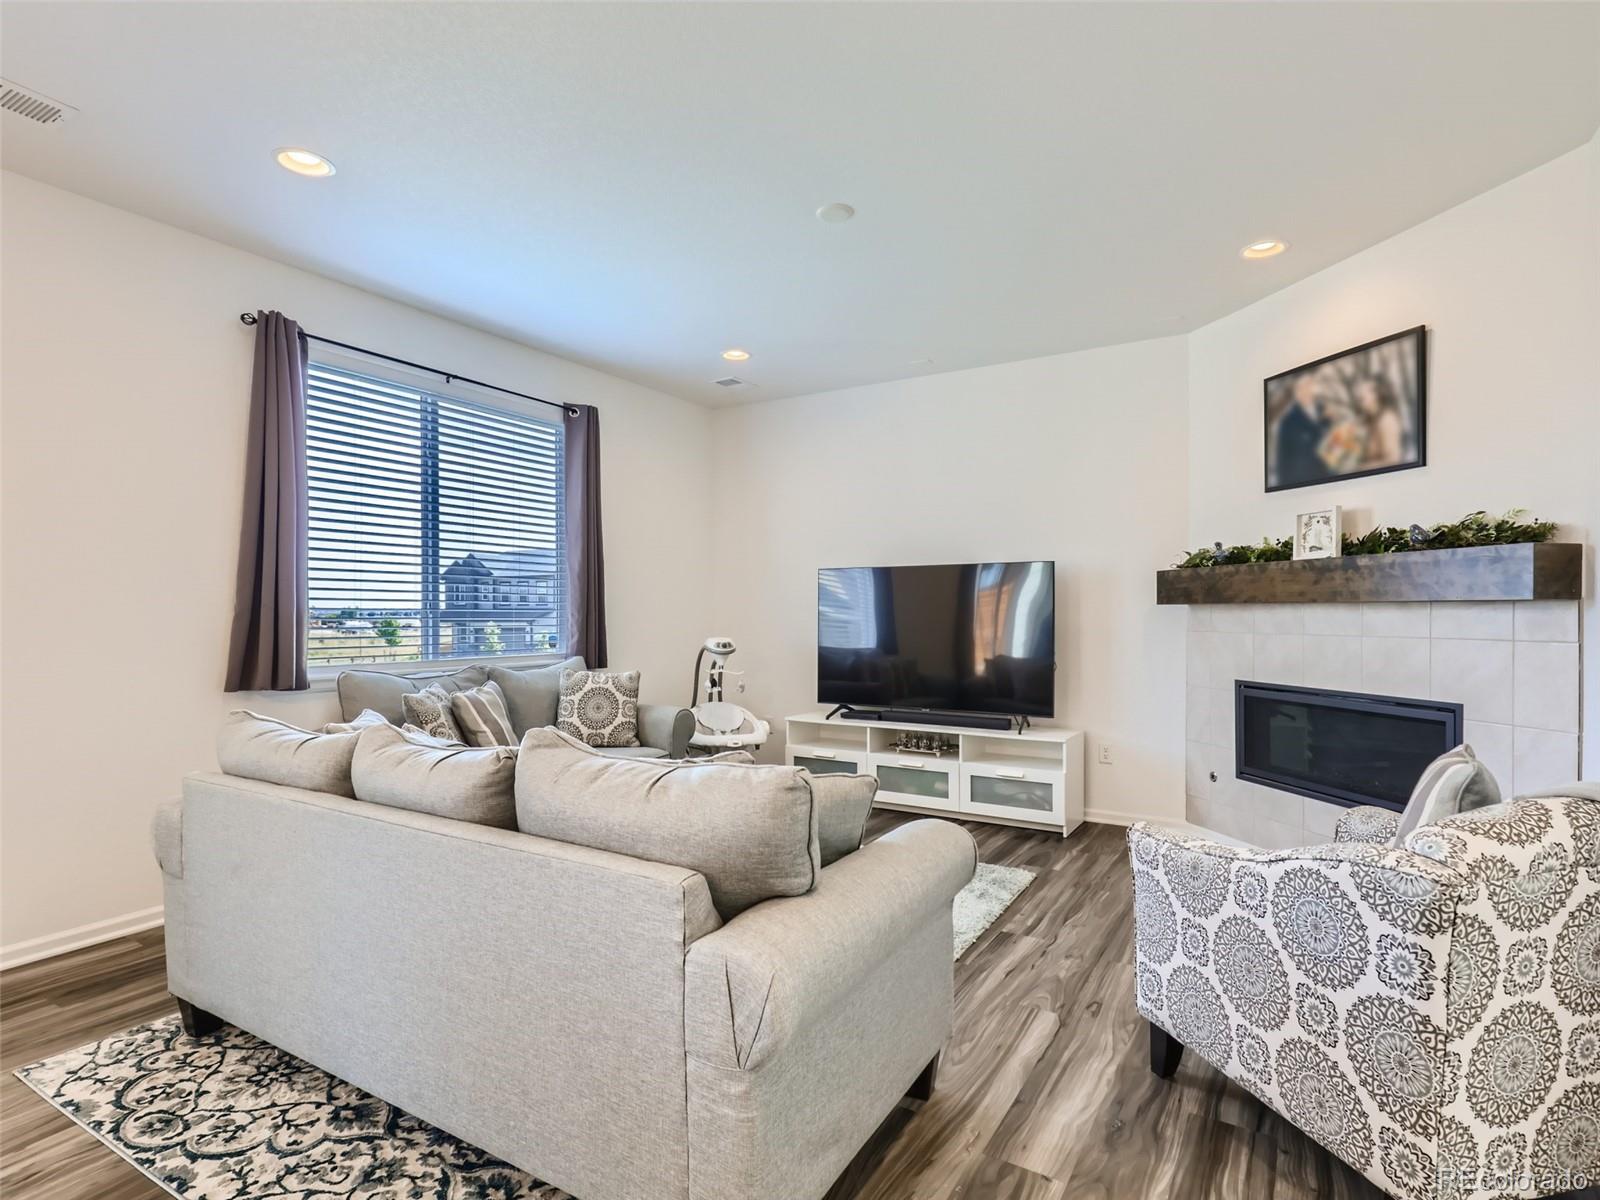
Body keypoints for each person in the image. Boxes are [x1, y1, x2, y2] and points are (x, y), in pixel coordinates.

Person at [1273, 373, 1328, 487]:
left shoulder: (1325, 414)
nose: (1306, 391)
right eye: (1301, 388)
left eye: (1309, 386)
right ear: (1296, 393)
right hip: (1302, 485)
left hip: (1328, 481)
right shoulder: (1288, 422)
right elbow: (1282, 460)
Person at [1353, 374, 1404, 467]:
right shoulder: (1365, 421)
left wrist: (1361, 468)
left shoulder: (1387, 419)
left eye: (1366, 390)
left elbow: (1393, 460)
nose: (1360, 393)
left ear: (1377, 395)